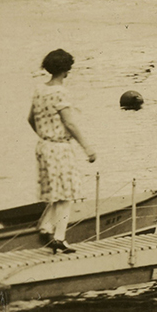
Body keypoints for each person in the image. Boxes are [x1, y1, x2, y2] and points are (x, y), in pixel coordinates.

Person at [28, 49, 96, 253]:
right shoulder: (61, 92)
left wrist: (44, 134)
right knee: (67, 194)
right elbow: (70, 123)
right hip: (59, 147)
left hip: (44, 146)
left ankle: (45, 226)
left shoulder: (39, 90)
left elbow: (31, 119)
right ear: (66, 70)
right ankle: (59, 238)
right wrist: (87, 148)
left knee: (55, 191)